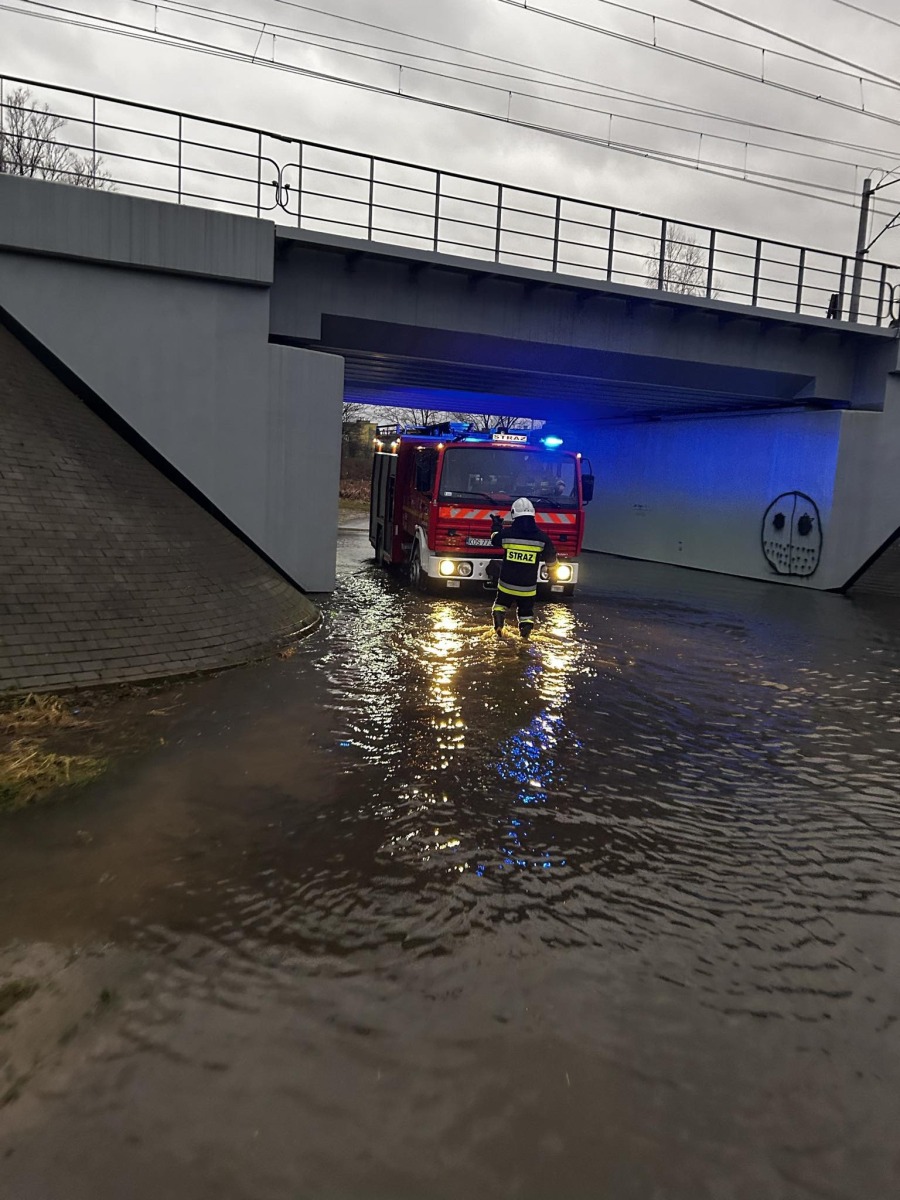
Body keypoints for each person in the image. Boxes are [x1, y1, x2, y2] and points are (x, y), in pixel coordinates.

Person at [489, 497, 558, 640]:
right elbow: (551, 559)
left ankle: (499, 627)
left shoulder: (508, 534)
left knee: (500, 606)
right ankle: (525, 637)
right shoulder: (542, 538)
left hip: (506, 585)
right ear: (533, 514)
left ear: (514, 514)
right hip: (528, 588)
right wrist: (553, 576)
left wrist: (496, 527)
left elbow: (494, 540)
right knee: (526, 614)